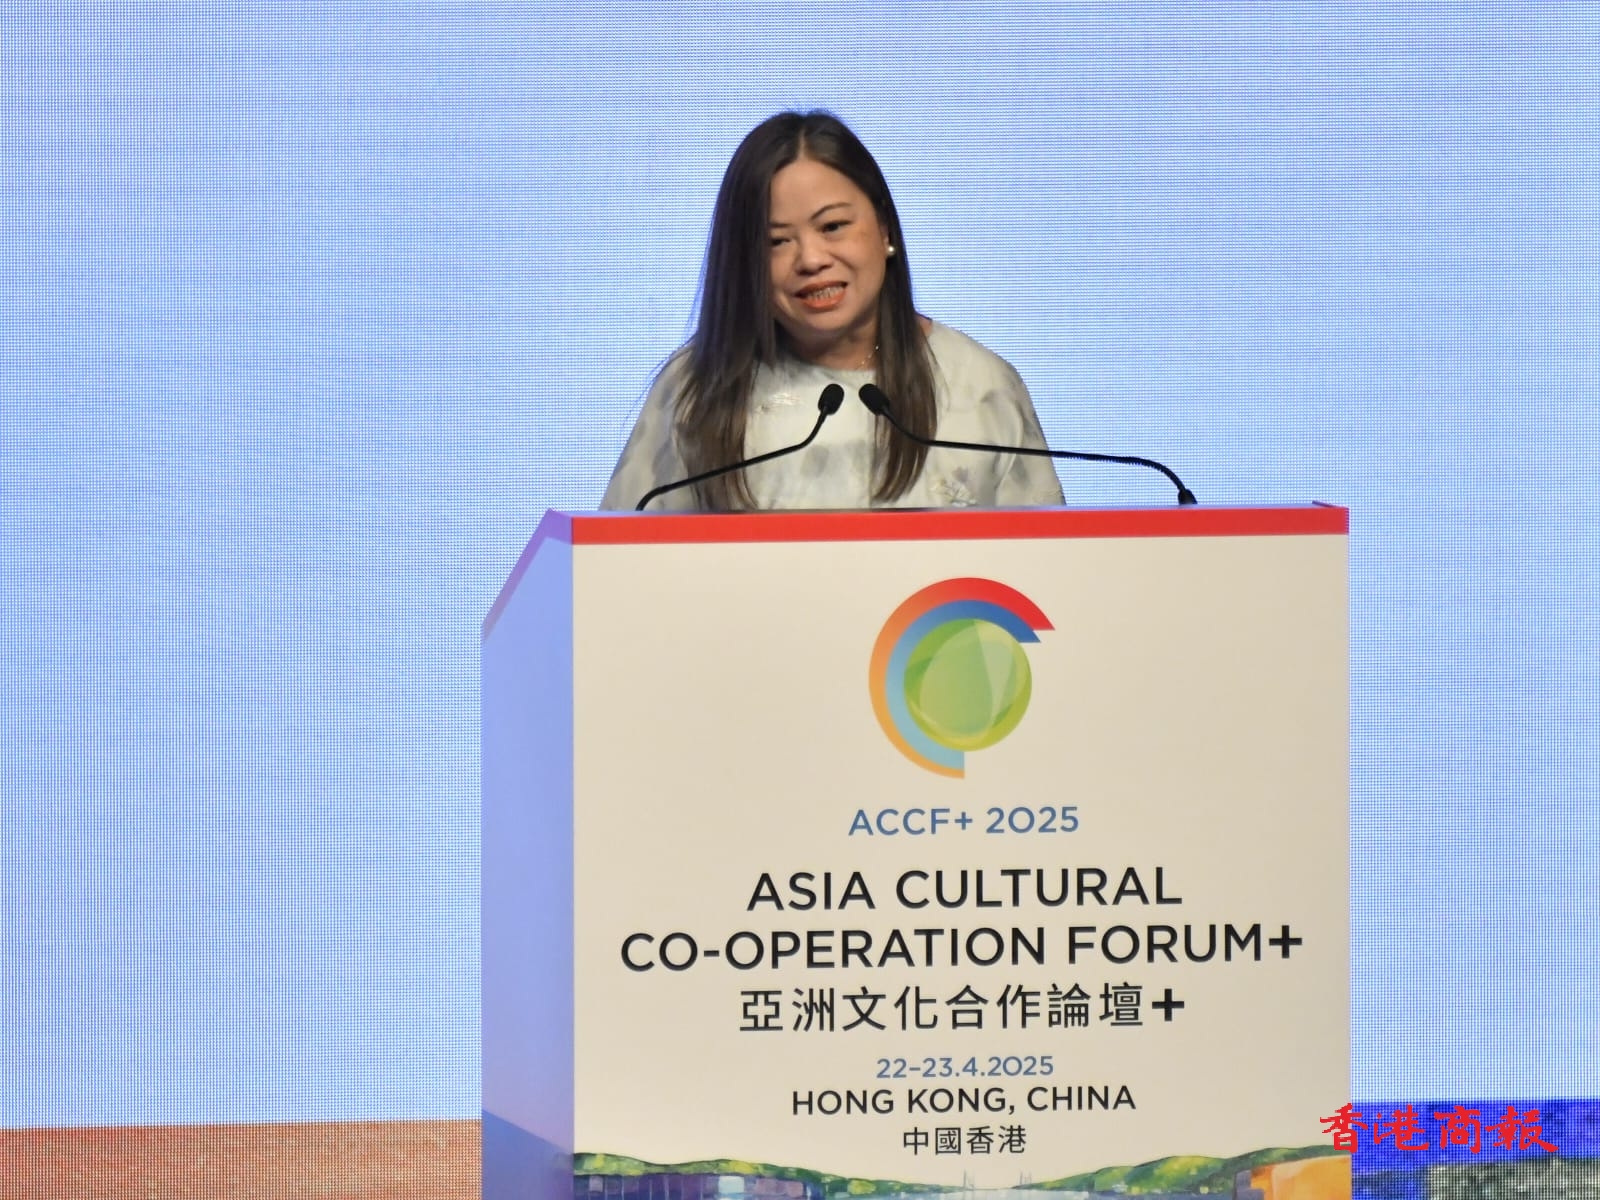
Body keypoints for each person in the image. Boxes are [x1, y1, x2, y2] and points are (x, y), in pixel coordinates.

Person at [600, 110, 1064, 512]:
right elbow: (618, 564)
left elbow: (1045, 569)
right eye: (776, 241)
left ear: (885, 229)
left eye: (833, 226)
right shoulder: (697, 386)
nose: (811, 259)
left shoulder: (980, 385)